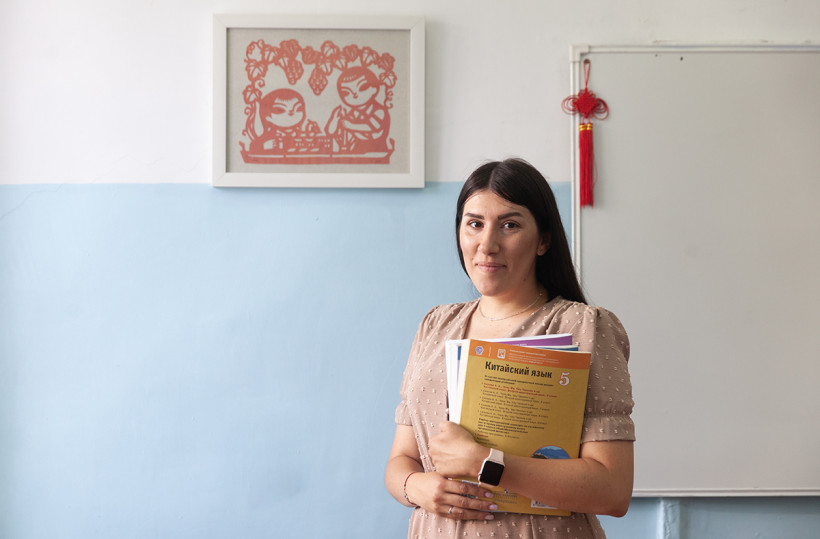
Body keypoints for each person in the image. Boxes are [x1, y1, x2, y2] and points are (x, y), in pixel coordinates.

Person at [385, 158, 635, 538]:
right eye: (474, 224)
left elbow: (612, 490)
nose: (487, 245)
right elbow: (401, 459)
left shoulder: (582, 328)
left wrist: (485, 462)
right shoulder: (435, 326)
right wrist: (414, 486)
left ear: (544, 241)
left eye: (510, 225)